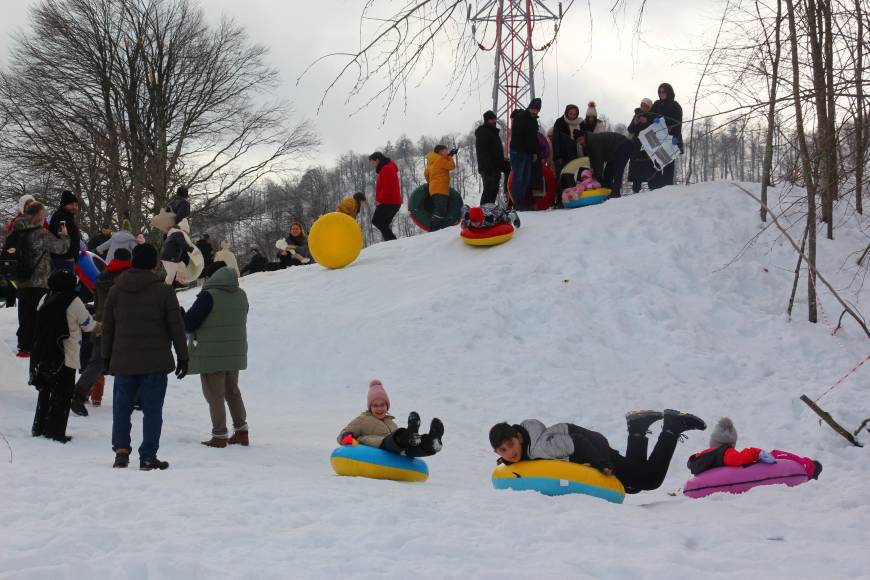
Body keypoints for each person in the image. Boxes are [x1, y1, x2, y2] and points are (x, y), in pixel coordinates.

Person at [102, 243, 189, 470]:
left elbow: (108, 327)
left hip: (123, 360)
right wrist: (183, 356)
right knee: (152, 411)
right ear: (153, 264)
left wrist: (105, 357)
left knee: (122, 409)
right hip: (155, 362)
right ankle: (148, 456)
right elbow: (176, 326)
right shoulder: (163, 291)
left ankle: (121, 452)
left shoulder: (116, 290)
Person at [489, 409, 706, 495]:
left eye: (511, 445)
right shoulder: (525, 449)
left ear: (518, 437)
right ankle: (638, 427)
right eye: (503, 451)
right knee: (633, 483)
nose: (510, 453)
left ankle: (673, 426)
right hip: (593, 452)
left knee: (650, 479)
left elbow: (578, 441)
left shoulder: (540, 447)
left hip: (594, 449)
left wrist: (602, 463)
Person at [183, 266, 250, 448]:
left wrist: (180, 314)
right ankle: (242, 431)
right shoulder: (241, 295)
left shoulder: (208, 296)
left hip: (211, 354)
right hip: (233, 352)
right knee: (233, 392)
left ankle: (219, 435)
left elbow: (189, 323)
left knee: (215, 395)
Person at [29, 270, 98, 442]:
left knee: (45, 392)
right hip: (66, 354)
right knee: (63, 394)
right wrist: (100, 324)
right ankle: (55, 431)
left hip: (46, 353)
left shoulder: (45, 298)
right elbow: (88, 325)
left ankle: (39, 427)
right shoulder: (73, 301)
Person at [70, 247, 132, 415]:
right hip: (121, 323)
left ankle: (78, 393)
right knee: (129, 361)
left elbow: (97, 302)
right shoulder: (127, 277)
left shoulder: (102, 276)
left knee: (96, 362)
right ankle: (134, 398)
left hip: (102, 323)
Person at [11, 202, 70, 357]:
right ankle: (37, 345)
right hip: (40, 280)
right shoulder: (42, 233)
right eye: (43, 213)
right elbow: (61, 248)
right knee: (38, 314)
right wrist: (64, 235)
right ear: (38, 215)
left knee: (25, 313)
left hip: (22, 280)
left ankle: (23, 347)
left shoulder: (16, 231)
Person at [687, 417, 823, 480]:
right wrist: (756, 453)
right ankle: (810, 467)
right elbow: (738, 458)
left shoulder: (704, 455)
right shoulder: (724, 453)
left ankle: (809, 466)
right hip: (756, 465)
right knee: (775, 454)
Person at [337, 380, 444, 458]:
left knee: (412, 446)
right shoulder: (363, 419)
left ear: (387, 406)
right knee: (395, 438)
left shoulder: (391, 422)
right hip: (380, 445)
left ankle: (431, 442)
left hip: (397, 449)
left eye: (382, 405)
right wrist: (346, 437)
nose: (379, 408)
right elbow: (342, 434)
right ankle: (410, 434)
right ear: (370, 407)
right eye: (375, 405)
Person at [574, 131, 633, 197]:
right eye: (578, 142)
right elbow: (593, 160)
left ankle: (615, 193)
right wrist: (592, 172)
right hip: (614, 152)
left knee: (618, 170)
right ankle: (607, 191)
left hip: (624, 145)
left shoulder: (593, 141)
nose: (580, 143)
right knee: (607, 172)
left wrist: (598, 177)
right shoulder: (589, 144)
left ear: (584, 136)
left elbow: (598, 161)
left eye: (580, 140)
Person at [649, 83, 683, 189]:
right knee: (656, 162)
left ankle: (667, 188)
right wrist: (653, 119)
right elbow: (649, 117)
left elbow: (678, 122)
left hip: (670, 137)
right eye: (659, 91)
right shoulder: (656, 104)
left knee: (668, 163)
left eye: (663, 91)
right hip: (656, 138)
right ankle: (654, 187)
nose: (661, 94)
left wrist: (675, 137)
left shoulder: (675, 105)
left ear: (669, 92)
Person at [509, 98, 541, 210]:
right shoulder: (521, 118)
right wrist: (531, 150)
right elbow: (521, 137)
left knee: (526, 178)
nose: (535, 111)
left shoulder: (533, 120)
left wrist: (535, 152)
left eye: (537, 109)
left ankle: (521, 201)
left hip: (527, 152)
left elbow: (534, 138)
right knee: (519, 177)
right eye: (533, 108)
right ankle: (517, 202)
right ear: (529, 107)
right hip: (518, 151)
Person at [369, 152, 402, 242]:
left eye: (373, 163)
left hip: (390, 202)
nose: (373, 165)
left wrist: (379, 200)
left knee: (377, 221)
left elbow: (387, 187)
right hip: (391, 201)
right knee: (383, 224)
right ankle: (390, 243)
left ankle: (393, 242)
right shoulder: (386, 168)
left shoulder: (387, 169)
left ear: (378, 160)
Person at [424, 145, 457, 232]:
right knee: (441, 210)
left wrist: (432, 183)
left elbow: (426, 174)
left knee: (440, 209)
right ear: (440, 152)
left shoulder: (431, 162)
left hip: (434, 189)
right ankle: (432, 229)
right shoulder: (440, 160)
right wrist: (450, 157)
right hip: (441, 188)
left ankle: (439, 230)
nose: (447, 152)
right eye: (445, 150)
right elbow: (452, 166)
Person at [474, 111, 505, 206]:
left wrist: (502, 163)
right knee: (488, 190)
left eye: (495, 119)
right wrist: (489, 166)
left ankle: (489, 210)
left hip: (495, 167)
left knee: (494, 190)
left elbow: (496, 151)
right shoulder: (483, 132)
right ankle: (483, 212)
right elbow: (484, 151)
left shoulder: (493, 132)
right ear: (488, 120)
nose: (495, 121)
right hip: (488, 168)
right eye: (493, 119)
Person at [627, 98, 656, 193]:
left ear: (649, 108)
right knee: (636, 171)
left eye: (646, 106)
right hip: (636, 145)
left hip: (648, 145)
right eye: (642, 105)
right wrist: (635, 123)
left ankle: (653, 190)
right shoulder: (637, 115)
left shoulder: (652, 116)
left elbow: (655, 129)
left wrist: (646, 122)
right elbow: (630, 130)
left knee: (649, 169)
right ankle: (635, 191)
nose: (643, 107)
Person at [48, 190, 82, 273]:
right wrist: (70, 255)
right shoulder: (62, 218)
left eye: (76, 205)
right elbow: (61, 237)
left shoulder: (68, 217)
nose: (74, 207)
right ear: (64, 205)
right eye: (71, 205)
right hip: (63, 260)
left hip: (65, 259)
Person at [551, 104, 583, 179]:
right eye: (570, 114)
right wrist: (557, 156)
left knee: (574, 178)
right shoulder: (560, 122)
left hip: (576, 156)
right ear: (566, 113)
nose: (572, 116)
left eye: (574, 114)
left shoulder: (580, 123)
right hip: (563, 157)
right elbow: (555, 140)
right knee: (562, 178)